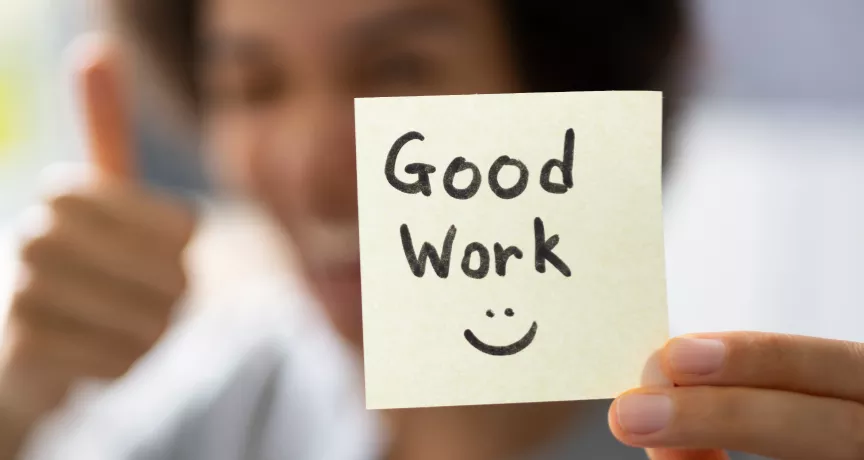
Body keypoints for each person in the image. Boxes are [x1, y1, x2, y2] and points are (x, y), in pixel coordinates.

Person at [1, 1, 862, 459]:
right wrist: (21, 396)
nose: (310, 166)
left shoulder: (739, 444)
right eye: (253, 86)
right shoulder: (242, 396)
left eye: (398, 68)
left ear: (566, 86)